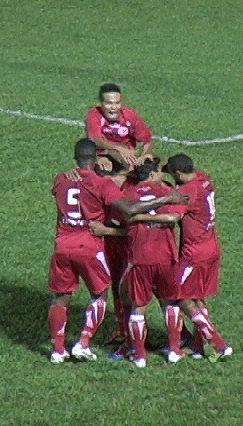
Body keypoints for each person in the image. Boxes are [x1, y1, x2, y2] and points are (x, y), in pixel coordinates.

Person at [47, 139, 188, 364]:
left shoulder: (61, 179)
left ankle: (58, 350)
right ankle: (83, 343)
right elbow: (130, 208)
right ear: (95, 158)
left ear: (76, 159)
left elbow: (65, 188)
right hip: (91, 244)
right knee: (100, 295)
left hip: (62, 245)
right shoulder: (104, 184)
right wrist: (167, 198)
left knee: (60, 298)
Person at [115, 158, 186, 367]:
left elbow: (122, 221)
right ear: (152, 174)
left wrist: (138, 219)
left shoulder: (128, 194)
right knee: (169, 302)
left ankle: (139, 355)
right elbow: (174, 218)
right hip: (166, 256)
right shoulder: (166, 192)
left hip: (140, 258)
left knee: (138, 307)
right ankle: (174, 349)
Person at [163, 153, 232, 361]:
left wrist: (159, 201)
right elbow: (178, 172)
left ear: (177, 173)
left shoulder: (186, 191)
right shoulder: (203, 178)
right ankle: (197, 347)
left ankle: (218, 344)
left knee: (177, 294)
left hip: (195, 253)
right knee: (197, 297)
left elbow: (172, 217)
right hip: (212, 247)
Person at [85, 83, 154, 173]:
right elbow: (94, 139)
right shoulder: (94, 114)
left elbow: (147, 140)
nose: (113, 107)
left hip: (127, 155)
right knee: (102, 167)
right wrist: (118, 149)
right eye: (109, 103)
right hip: (103, 153)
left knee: (146, 168)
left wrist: (145, 155)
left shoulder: (129, 115)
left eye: (117, 103)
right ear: (100, 103)